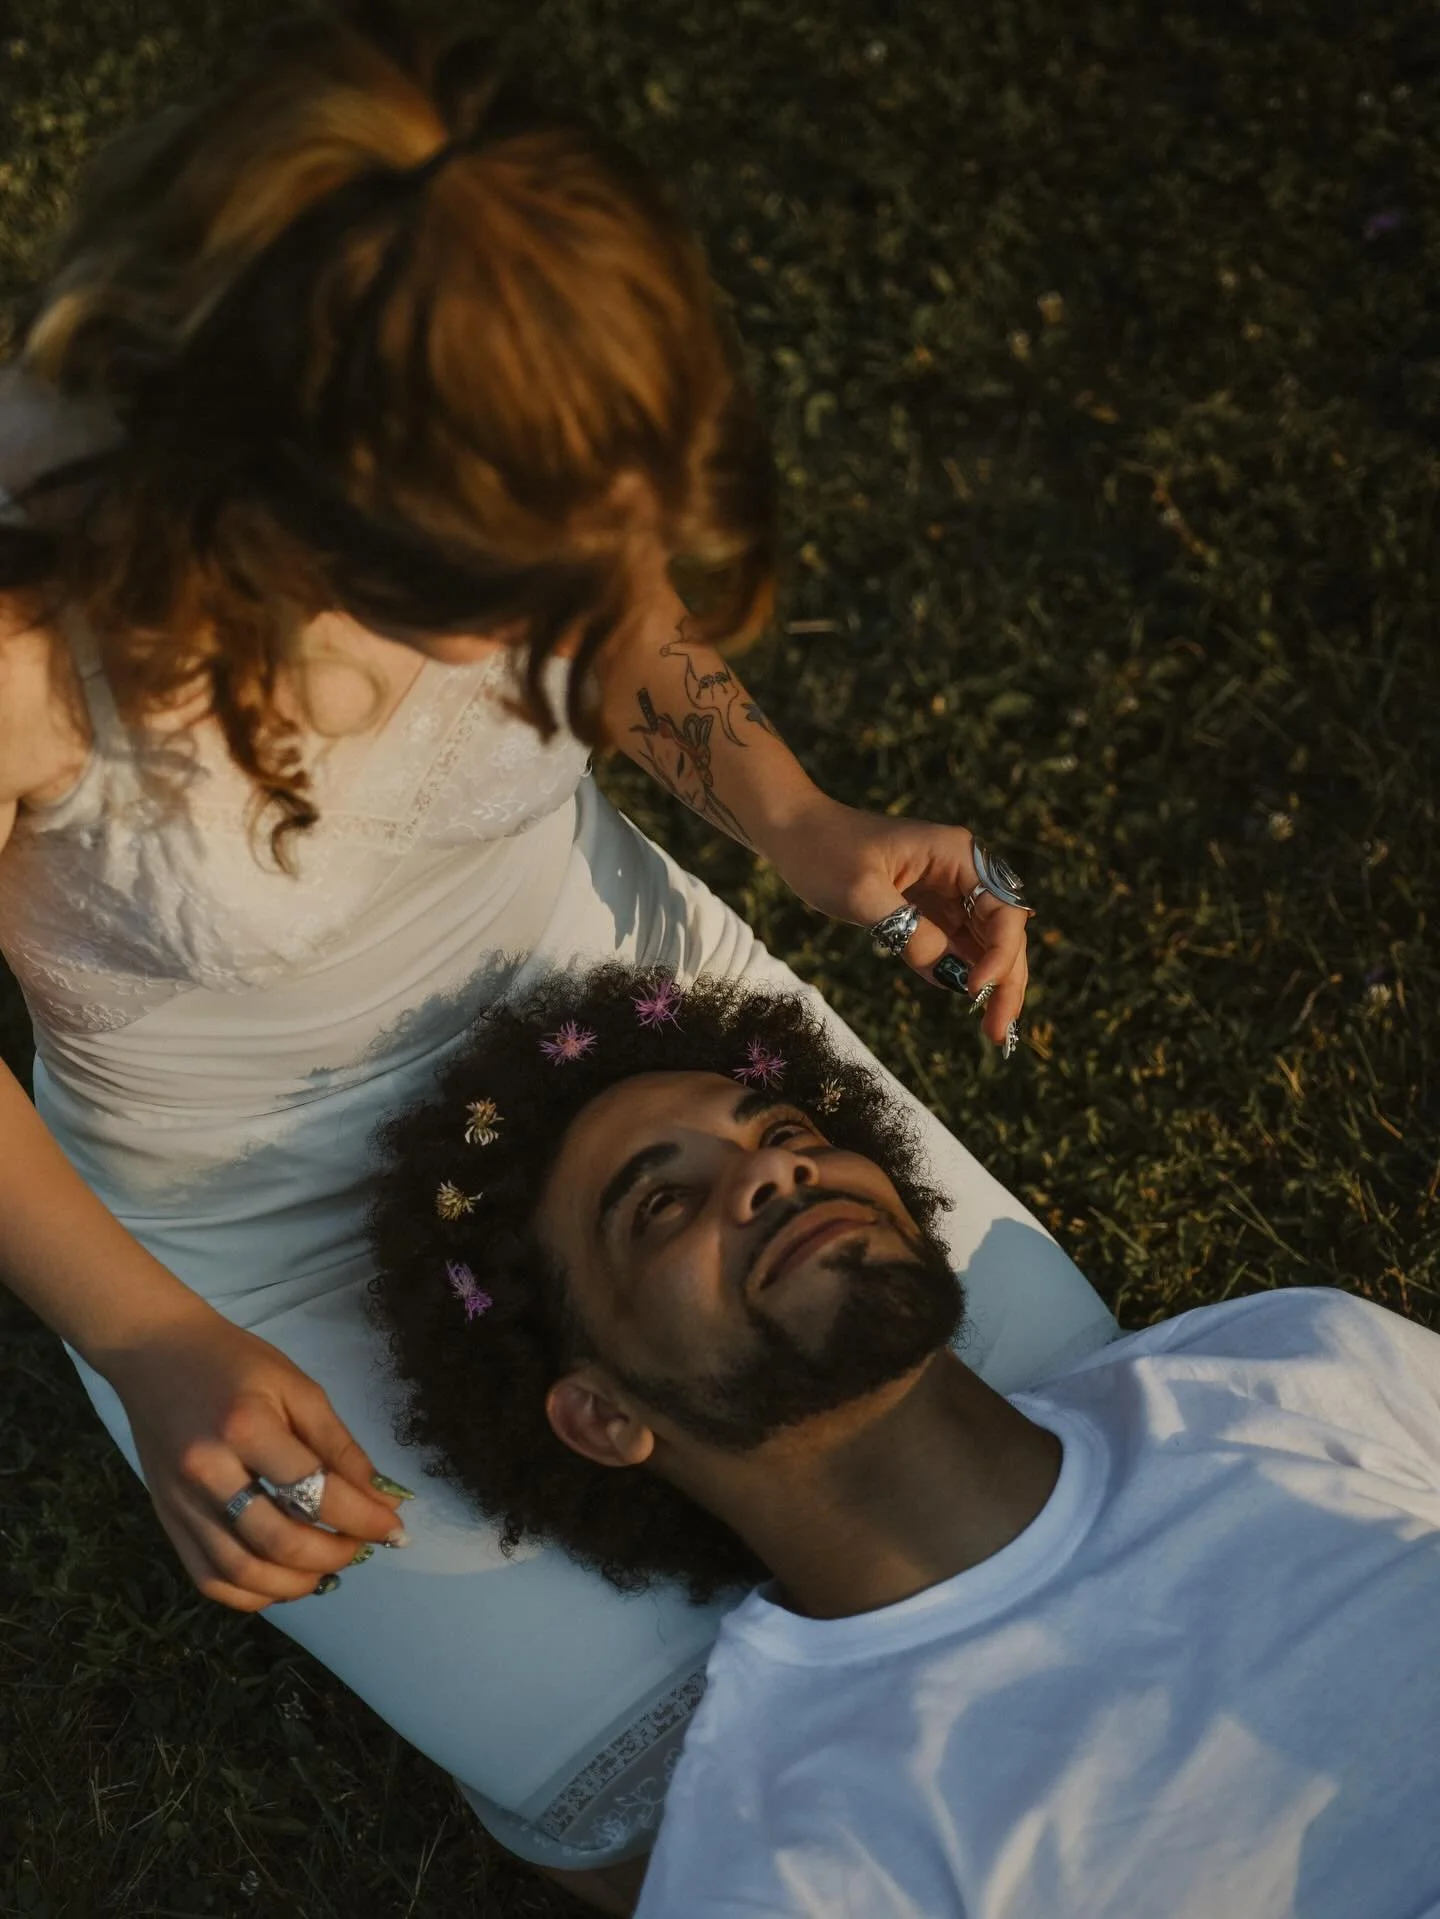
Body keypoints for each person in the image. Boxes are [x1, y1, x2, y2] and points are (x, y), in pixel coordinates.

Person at [0, 4, 1116, 1907]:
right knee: (659, 1790)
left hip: (631, 1013)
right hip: (246, 1208)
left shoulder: (506, 375)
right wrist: (154, 1339)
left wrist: (799, 819)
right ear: (283, 519)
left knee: (1077, 1445)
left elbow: (617, 609)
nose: (568, 613)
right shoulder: (33, 629)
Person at [366, 963, 1440, 1919]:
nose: (774, 1173)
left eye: (783, 1131)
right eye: (662, 1204)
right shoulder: (791, 1849)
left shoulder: (1292, 1359)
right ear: (606, 1414)